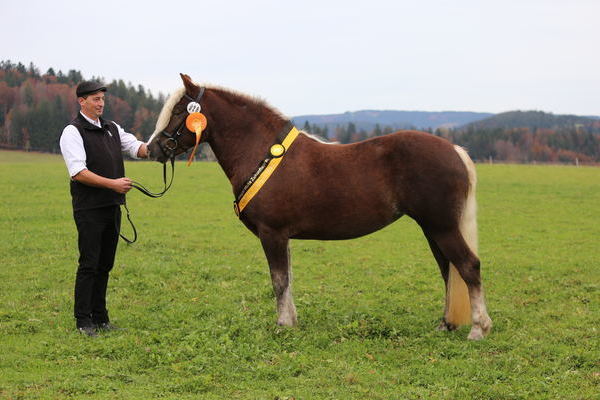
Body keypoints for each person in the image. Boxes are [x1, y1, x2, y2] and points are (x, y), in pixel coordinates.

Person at [59, 81, 148, 337]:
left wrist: (162, 146)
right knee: (89, 264)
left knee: (105, 264)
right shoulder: (73, 132)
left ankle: (101, 318)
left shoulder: (111, 128)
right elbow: (78, 172)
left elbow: (137, 147)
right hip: (89, 209)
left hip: (112, 207)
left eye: (102, 99)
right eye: (95, 99)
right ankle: (83, 321)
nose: (100, 103)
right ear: (82, 101)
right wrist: (114, 184)